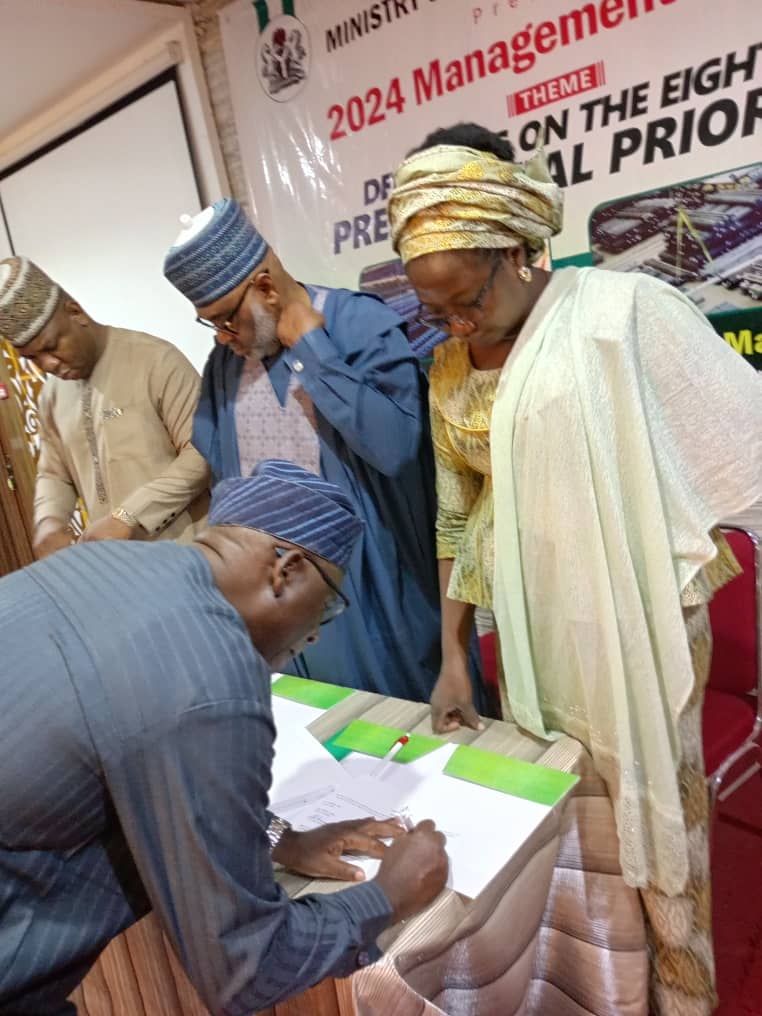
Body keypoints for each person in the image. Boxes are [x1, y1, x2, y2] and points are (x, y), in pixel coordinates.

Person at [388, 122, 762, 1015]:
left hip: (637, 616)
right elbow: (457, 515)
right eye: (434, 310)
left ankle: (684, 991)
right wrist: (452, 653)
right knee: (574, 820)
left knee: (654, 812)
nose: (455, 322)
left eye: (465, 298)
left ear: (521, 250)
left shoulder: (617, 317)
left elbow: (735, 438)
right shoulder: (448, 370)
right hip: (524, 629)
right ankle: (608, 985)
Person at [0, 459, 448, 1016]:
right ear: (285, 570)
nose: (312, 633)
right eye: (327, 607)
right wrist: (389, 895)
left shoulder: (99, 561)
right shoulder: (212, 672)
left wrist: (279, 836)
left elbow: (128, 755)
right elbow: (244, 967)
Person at [162, 198, 485, 708]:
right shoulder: (225, 365)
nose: (223, 338)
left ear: (265, 287)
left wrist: (313, 348)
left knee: (411, 741)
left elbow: (398, 450)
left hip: (377, 592)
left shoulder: (355, 324)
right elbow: (223, 471)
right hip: (283, 606)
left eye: (227, 319)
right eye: (212, 325)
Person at [0, 256, 210, 558]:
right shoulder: (52, 396)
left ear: (75, 312)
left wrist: (129, 515)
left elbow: (201, 453)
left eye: (50, 346)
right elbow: (54, 473)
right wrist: (49, 521)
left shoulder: (155, 360)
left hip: (184, 555)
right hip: (111, 567)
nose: (48, 365)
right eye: (32, 358)